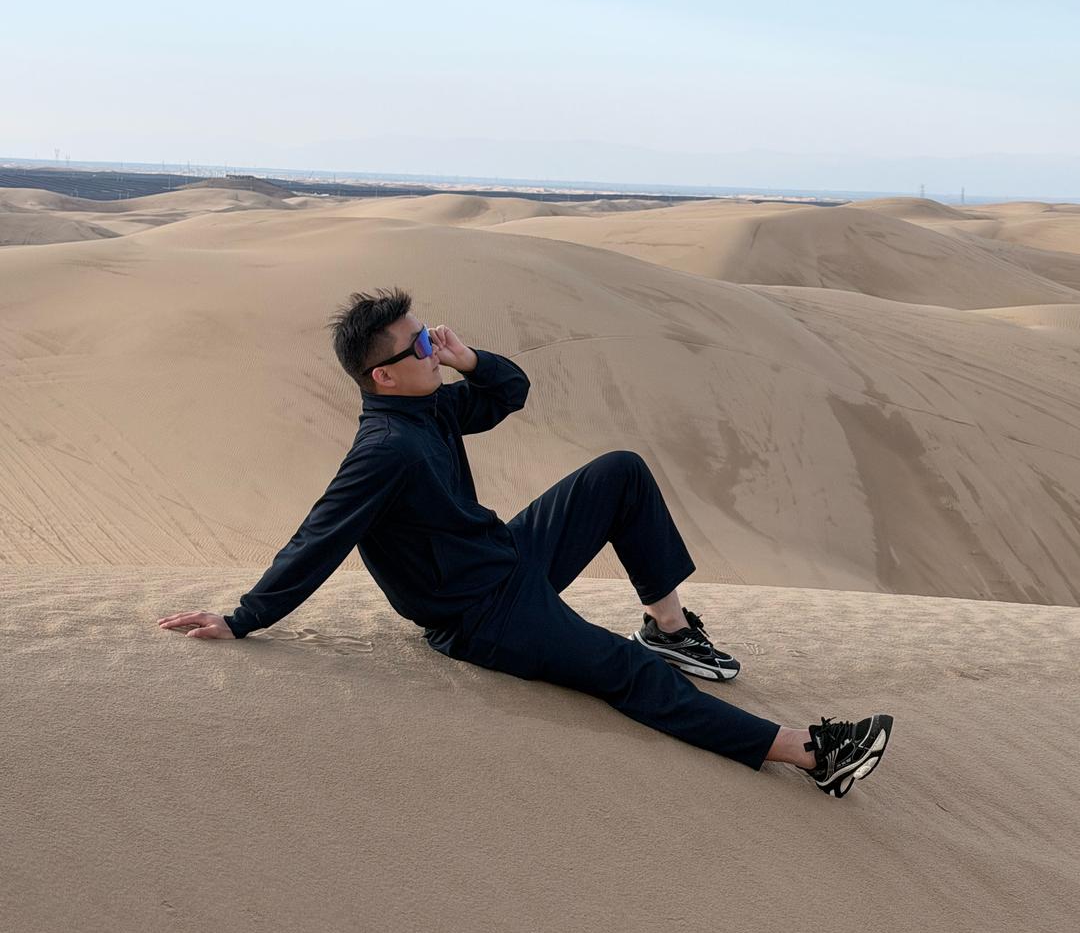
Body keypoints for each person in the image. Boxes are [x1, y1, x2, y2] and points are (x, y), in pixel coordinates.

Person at [158, 286, 892, 797]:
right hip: (480, 615)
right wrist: (244, 618)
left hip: (506, 558)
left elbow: (510, 393)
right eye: (420, 345)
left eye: (429, 334)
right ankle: (805, 752)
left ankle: (670, 629)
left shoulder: (428, 409)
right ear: (382, 375)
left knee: (620, 473)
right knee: (625, 673)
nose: (432, 348)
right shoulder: (384, 451)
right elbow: (318, 538)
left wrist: (467, 359)